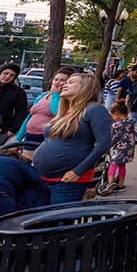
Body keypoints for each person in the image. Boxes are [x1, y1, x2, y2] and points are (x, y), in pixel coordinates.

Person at [32, 72, 113, 203]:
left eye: (71, 82)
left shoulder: (94, 109)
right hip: (43, 178)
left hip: (67, 180)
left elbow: (104, 143)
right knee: (39, 220)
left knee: (57, 220)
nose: (64, 84)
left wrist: (78, 171)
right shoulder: (64, 112)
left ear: (85, 87)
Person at [16, 67, 73, 150]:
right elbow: (31, 115)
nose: (58, 82)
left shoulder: (65, 99)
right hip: (30, 134)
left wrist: (55, 94)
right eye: (56, 79)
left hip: (45, 136)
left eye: (62, 80)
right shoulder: (43, 95)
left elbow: (56, 112)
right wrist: (19, 137)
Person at [99, 101, 137, 195]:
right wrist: (135, 141)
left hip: (119, 147)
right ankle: (121, 184)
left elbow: (113, 138)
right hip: (129, 147)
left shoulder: (115, 125)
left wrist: (108, 145)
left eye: (112, 115)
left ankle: (110, 182)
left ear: (117, 114)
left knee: (113, 164)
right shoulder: (132, 121)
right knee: (122, 165)